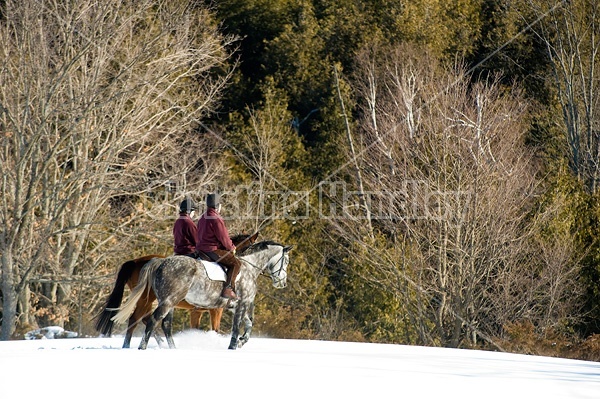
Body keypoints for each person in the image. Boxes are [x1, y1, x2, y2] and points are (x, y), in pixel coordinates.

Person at [196, 193, 241, 300]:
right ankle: (228, 289)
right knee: (236, 264)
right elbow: (224, 238)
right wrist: (231, 247)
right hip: (212, 250)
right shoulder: (216, 218)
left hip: (201, 250)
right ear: (218, 206)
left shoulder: (202, 217)